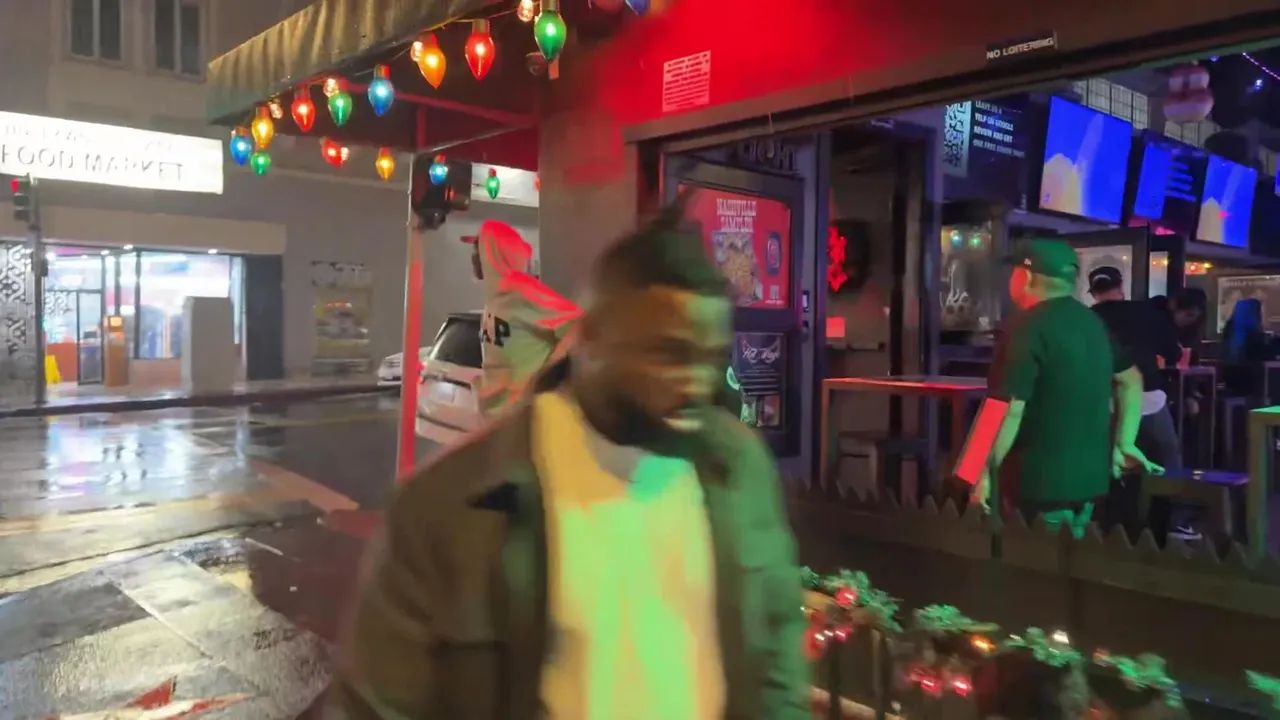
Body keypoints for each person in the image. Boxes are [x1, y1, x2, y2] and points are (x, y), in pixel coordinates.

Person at [329, 201, 809, 719]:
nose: (698, 383)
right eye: (669, 353)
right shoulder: (444, 509)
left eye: (710, 357)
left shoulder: (738, 467)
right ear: (593, 339)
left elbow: (776, 656)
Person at [976, 240, 1160, 538]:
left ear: (1026, 277)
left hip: (1036, 483)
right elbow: (1131, 380)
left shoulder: (1025, 328)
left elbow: (1007, 408)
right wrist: (1124, 442)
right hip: (1090, 480)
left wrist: (979, 470)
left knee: (1031, 561)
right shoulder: (1093, 323)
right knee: (1070, 558)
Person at [472, 220, 583, 416]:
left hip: (527, 417)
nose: (475, 256)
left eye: (479, 248)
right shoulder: (495, 299)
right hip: (502, 418)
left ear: (495, 253)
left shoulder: (520, 290)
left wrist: (544, 376)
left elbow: (579, 324)